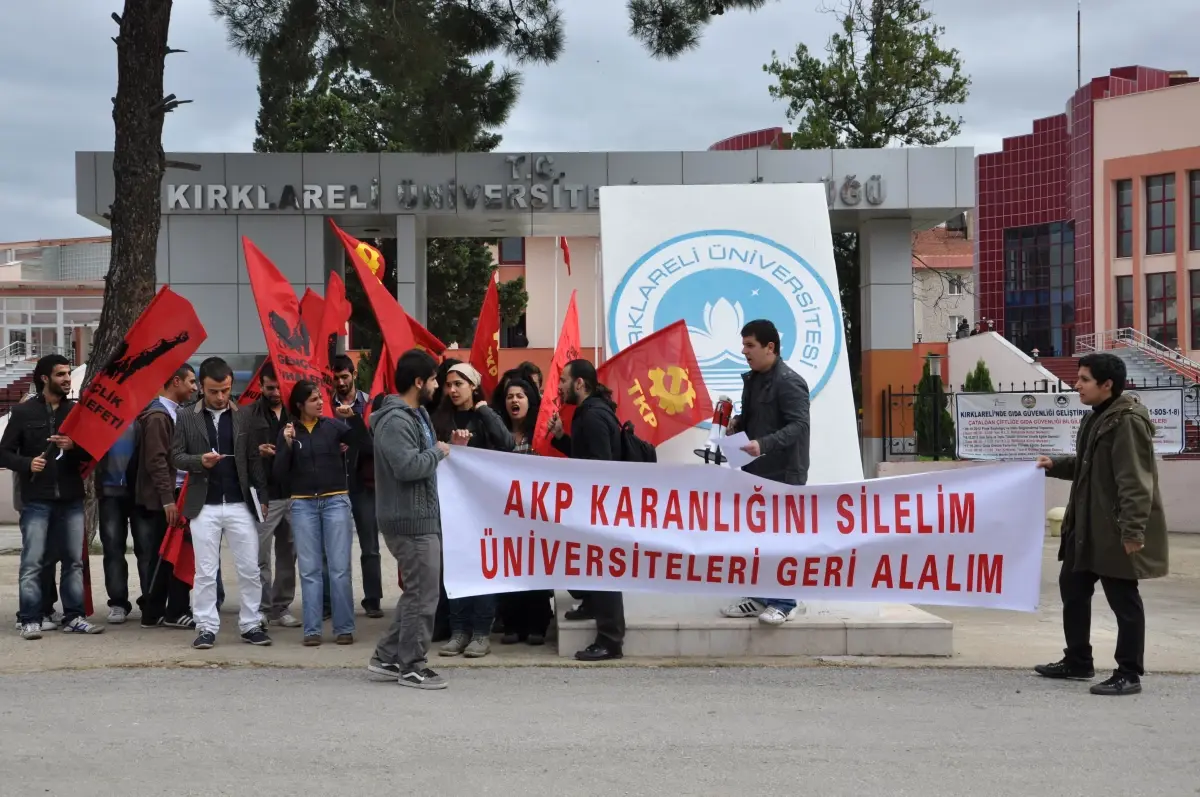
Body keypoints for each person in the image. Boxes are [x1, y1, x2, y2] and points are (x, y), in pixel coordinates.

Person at [1034, 352, 1169, 696]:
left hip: (1112, 529)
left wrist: (1133, 531)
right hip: (1085, 527)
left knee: (1123, 599)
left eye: (1084, 380)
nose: (1076, 385)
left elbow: (1135, 482)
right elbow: (1089, 464)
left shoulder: (1126, 422)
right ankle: (1078, 660)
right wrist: (1056, 464)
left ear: (1107, 385)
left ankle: (1129, 672)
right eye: (1077, 378)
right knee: (1073, 591)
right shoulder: (1096, 418)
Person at [366, 349, 452, 690]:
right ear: (419, 382)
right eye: (432, 379)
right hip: (408, 521)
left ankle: (386, 657)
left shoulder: (417, 415)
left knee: (418, 592)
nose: (437, 385)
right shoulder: (396, 421)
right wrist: (439, 452)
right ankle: (413, 665)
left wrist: (439, 451)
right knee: (423, 595)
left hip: (422, 518)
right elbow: (407, 467)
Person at [171, 357, 271, 650]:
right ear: (201, 387)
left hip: (240, 502)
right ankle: (205, 626)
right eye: (214, 391)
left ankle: (251, 623)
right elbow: (175, 456)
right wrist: (198, 462)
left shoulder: (244, 415)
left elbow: (253, 459)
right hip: (205, 504)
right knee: (204, 570)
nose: (220, 397)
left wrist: (262, 497)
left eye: (225, 390)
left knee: (250, 567)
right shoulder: (187, 416)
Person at [1, 354, 101, 639]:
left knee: (73, 561)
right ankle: (30, 618)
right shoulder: (23, 413)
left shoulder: (77, 412)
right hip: (37, 499)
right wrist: (27, 463)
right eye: (60, 374)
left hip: (70, 497)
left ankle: (74, 616)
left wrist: (73, 446)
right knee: (33, 561)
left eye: (68, 374)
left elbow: (92, 453)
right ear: (45, 378)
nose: (67, 379)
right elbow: (4, 451)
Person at [720, 319, 811, 627]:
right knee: (756, 538)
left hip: (785, 474)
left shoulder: (789, 381)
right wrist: (738, 424)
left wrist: (764, 444)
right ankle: (760, 596)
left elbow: (799, 426)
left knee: (781, 540)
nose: (744, 351)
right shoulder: (755, 379)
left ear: (770, 347)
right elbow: (759, 418)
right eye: (744, 345)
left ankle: (785, 602)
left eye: (750, 345)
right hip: (757, 472)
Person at [431, 362, 514, 659]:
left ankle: (481, 633)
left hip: (484, 507)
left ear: (473, 386)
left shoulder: (485, 416)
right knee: (457, 569)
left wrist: (484, 411)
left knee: (483, 570)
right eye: (449, 384)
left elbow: (506, 444)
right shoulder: (438, 419)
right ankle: (459, 631)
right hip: (452, 509)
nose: (452, 390)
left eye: (459, 384)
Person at [550, 358, 626, 662]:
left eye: (564, 380)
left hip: (600, 507)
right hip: (595, 505)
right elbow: (586, 457)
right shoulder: (591, 413)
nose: (560, 386)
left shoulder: (592, 417)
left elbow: (600, 467)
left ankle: (610, 640)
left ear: (580, 383)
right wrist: (561, 440)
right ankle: (593, 606)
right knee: (593, 566)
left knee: (605, 569)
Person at [274, 380, 357, 646]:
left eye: (320, 397)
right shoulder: (288, 431)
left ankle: (344, 627)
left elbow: (363, 445)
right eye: (313, 399)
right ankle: (312, 630)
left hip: (335, 501)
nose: (320, 403)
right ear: (299, 405)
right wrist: (286, 445)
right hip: (302, 504)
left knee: (339, 568)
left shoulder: (333, 426)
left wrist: (353, 420)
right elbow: (278, 474)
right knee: (309, 570)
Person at [133, 364, 198, 630]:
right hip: (167, 498)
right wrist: (167, 500)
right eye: (191, 382)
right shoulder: (159, 417)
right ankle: (172, 611)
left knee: (168, 554)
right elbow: (156, 461)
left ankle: (156, 610)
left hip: (177, 494)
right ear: (175, 381)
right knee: (171, 554)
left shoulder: (177, 414)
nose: (195, 387)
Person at [496, 377, 554, 646]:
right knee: (509, 567)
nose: (514, 401)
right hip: (505, 514)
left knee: (537, 568)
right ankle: (511, 623)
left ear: (530, 400)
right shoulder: (498, 432)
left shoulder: (542, 434)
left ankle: (537, 623)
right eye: (509, 396)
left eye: (520, 395)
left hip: (536, 513)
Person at [247, 363, 301, 629]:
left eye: (279, 386)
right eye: (270, 387)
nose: (276, 391)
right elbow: (240, 451)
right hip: (264, 494)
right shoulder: (249, 414)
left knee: (288, 554)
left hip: (292, 491)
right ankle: (261, 607)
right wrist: (257, 451)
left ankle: (281, 607)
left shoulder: (296, 411)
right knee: (260, 555)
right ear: (260, 386)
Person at [331, 354, 383, 619]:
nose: (341, 382)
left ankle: (372, 599)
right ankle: (334, 602)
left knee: (370, 544)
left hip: (363, 482)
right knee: (334, 548)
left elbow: (373, 445)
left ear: (353, 375)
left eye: (345, 377)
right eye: (336, 378)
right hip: (333, 482)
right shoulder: (324, 404)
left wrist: (352, 428)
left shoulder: (371, 403)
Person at [96, 419, 139, 624]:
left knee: (147, 550)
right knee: (113, 549)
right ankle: (118, 603)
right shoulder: (102, 416)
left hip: (141, 492)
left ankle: (151, 602)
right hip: (109, 492)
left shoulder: (147, 414)